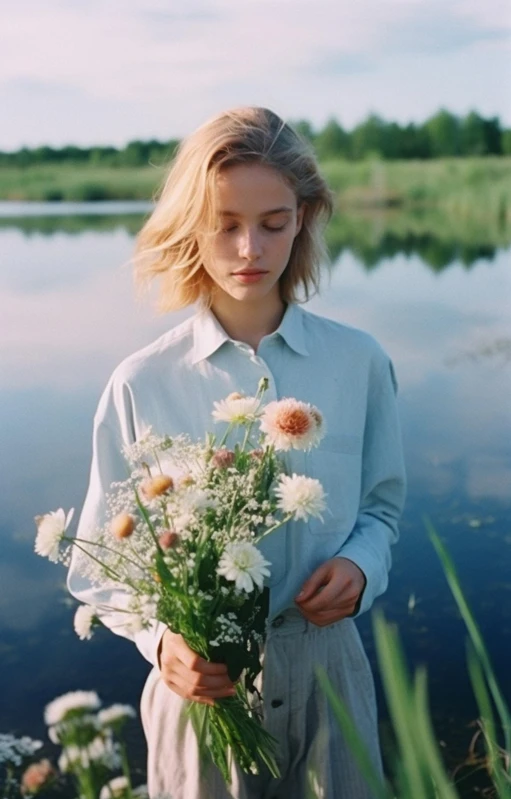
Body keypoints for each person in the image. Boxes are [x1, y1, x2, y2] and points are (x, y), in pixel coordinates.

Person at [68, 106, 406, 799]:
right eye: (224, 224)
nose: (249, 247)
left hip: (328, 676)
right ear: (191, 224)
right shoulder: (141, 381)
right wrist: (162, 640)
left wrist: (359, 565)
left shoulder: (359, 362)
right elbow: (98, 560)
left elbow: (381, 506)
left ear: (304, 216)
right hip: (201, 696)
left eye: (272, 222)